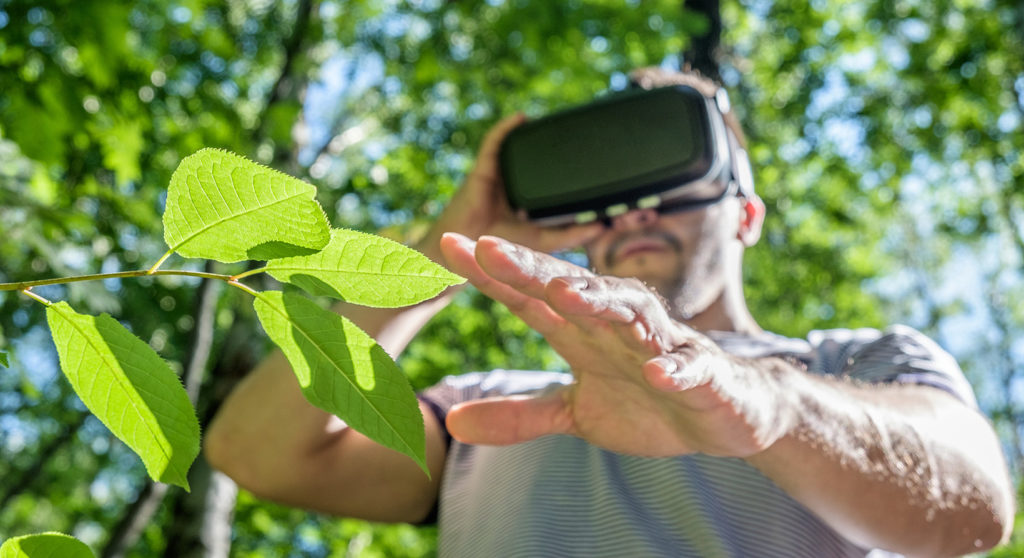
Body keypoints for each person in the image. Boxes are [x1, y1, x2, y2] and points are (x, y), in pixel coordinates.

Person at [203, 67, 1015, 557]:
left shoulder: (853, 365)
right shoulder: (493, 409)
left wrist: (760, 403)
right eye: (611, 193)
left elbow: (975, 508)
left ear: (746, 214)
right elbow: (257, 452)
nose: (634, 211)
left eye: (672, 180)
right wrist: (443, 253)